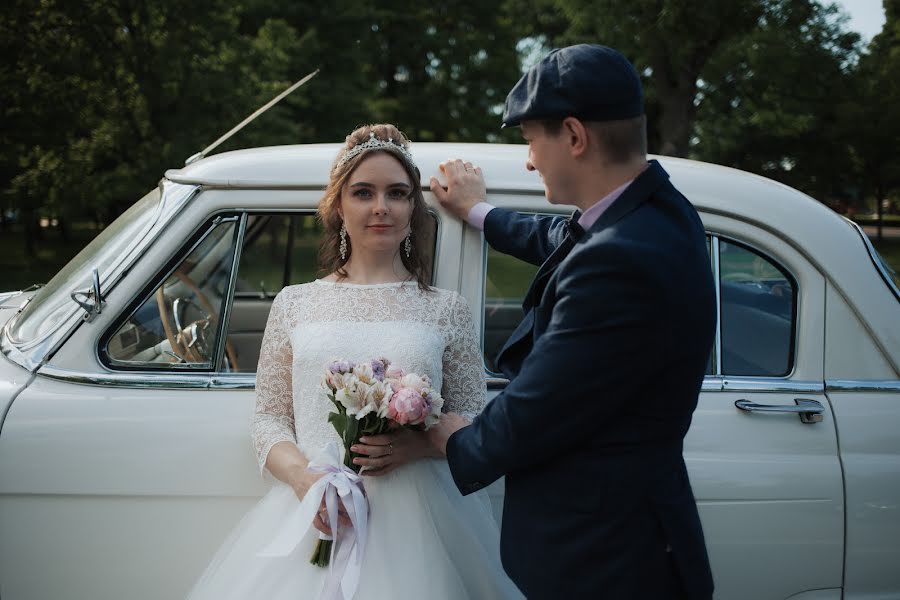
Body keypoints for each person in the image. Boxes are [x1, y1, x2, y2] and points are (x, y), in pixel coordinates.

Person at [425, 44, 717, 599]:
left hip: (603, 557)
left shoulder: (621, 258)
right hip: (628, 536)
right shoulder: (656, 215)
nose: (530, 160)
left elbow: (536, 408)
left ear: (576, 137)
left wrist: (445, 436)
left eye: (532, 140)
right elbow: (563, 239)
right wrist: (478, 211)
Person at [186, 123, 522, 600]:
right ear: (339, 206)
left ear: (413, 208)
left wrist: (420, 444)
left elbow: (473, 416)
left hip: (418, 518)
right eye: (363, 192)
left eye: (397, 193)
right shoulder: (294, 303)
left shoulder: (446, 308)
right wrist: (305, 480)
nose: (381, 207)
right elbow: (269, 417)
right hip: (315, 510)